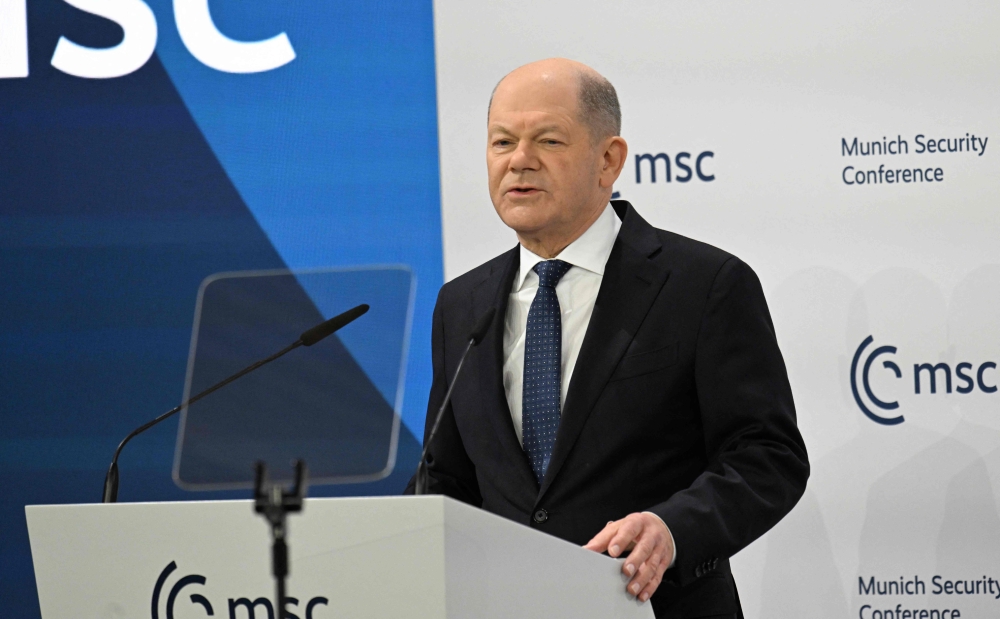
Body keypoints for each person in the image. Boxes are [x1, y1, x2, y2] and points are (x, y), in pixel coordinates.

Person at [405, 58, 809, 618]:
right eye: (501, 142)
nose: (519, 160)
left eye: (547, 140)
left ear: (608, 159)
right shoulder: (462, 304)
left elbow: (769, 455)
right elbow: (445, 478)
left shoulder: (703, 285)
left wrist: (673, 528)